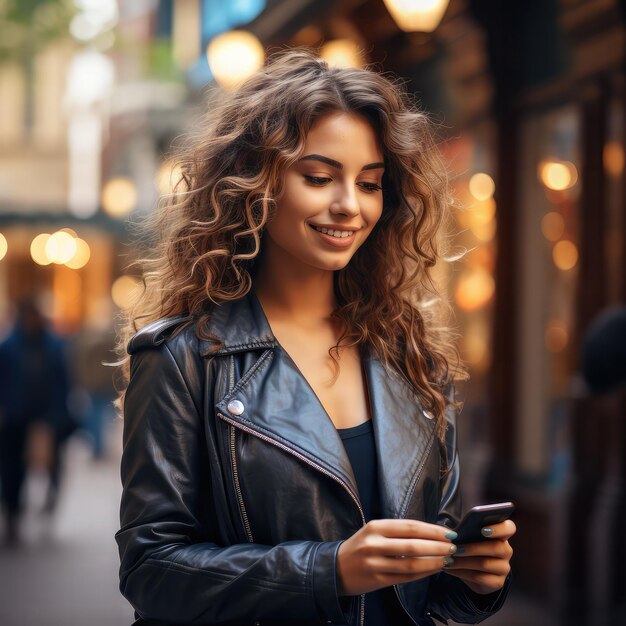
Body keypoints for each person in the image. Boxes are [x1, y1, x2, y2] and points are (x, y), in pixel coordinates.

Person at [115, 49, 515, 625]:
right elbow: (151, 570)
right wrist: (329, 570)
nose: (349, 205)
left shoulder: (410, 355)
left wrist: (473, 577)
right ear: (256, 182)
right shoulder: (184, 358)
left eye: (370, 183)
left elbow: (426, 586)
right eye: (320, 177)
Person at [0, 297, 72, 544]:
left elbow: (64, 381)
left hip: (48, 418)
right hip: (15, 418)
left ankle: (48, 508)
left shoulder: (54, 345)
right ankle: (12, 513)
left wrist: (60, 413)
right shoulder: (8, 346)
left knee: (53, 467)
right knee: (12, 470)